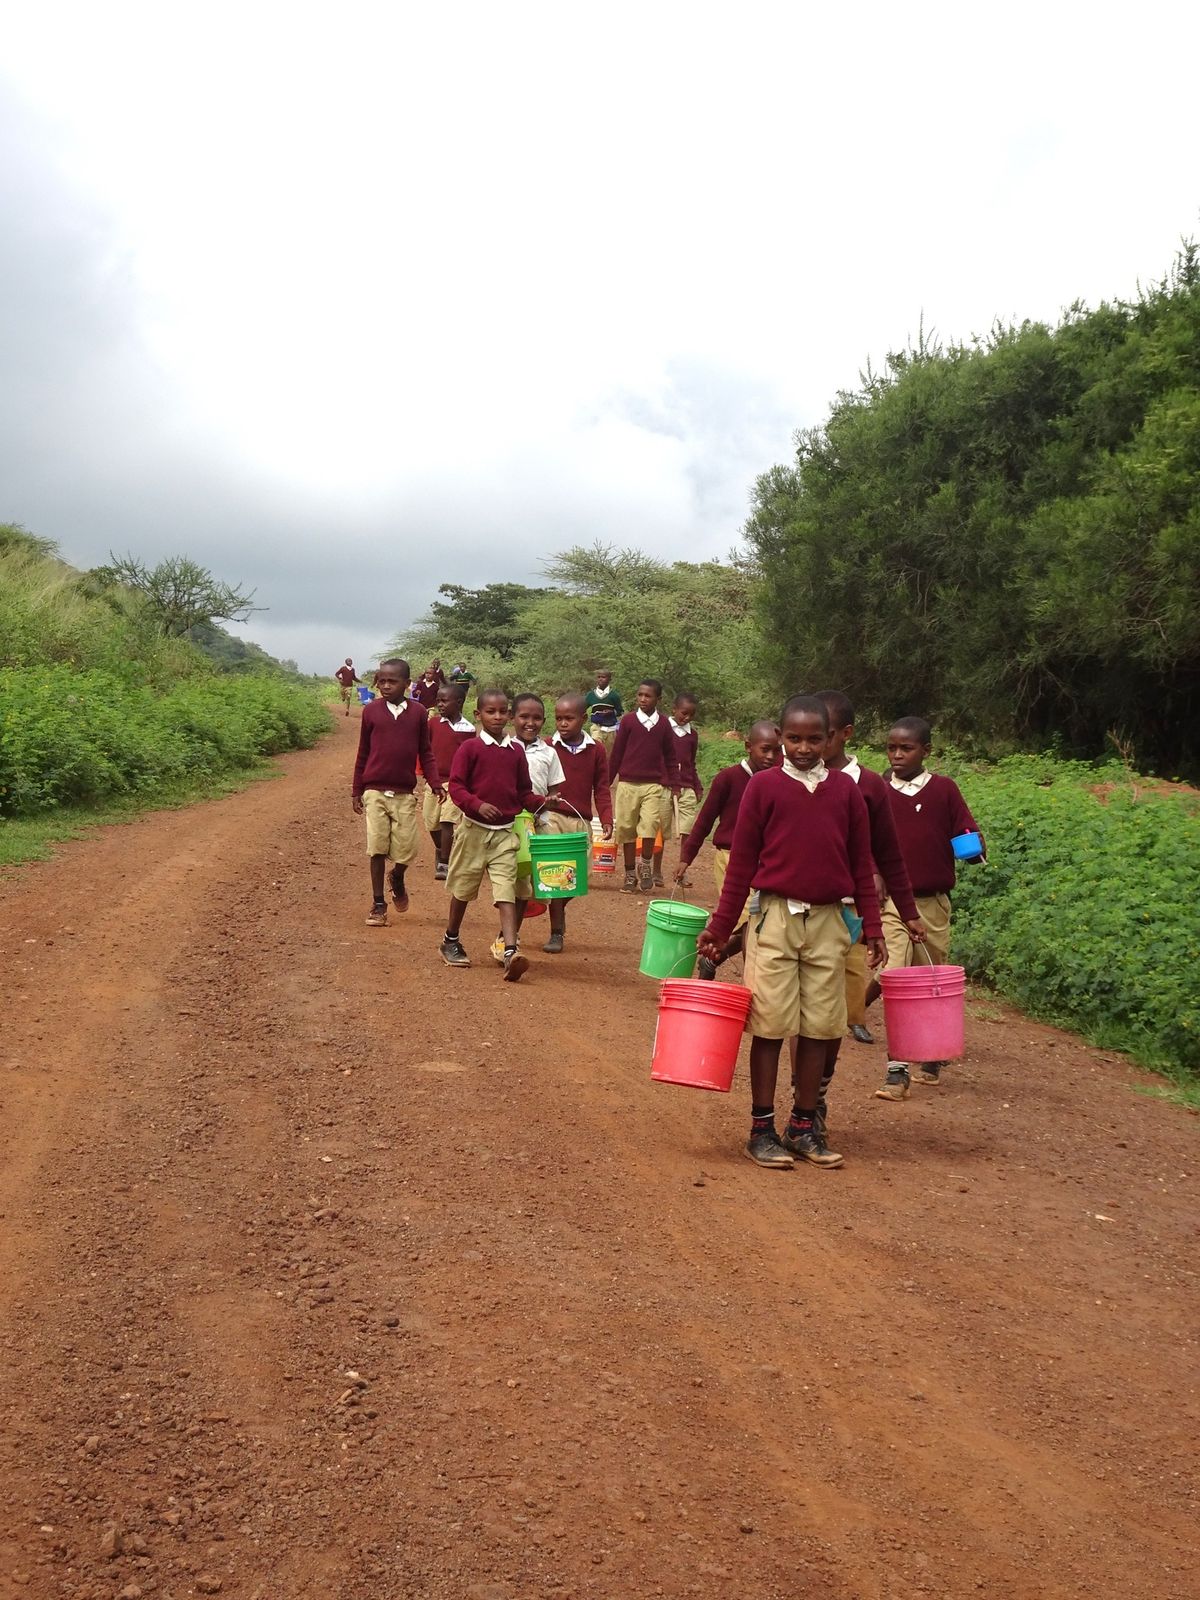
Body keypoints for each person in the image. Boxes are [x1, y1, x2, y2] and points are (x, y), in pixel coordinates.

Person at [698, 696, 885, 1171]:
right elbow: (741, 865)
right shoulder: (763, 788)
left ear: (832, 740)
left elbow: (863, 863)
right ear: (780, 738)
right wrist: (721, 928)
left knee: (821, 1027)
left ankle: (803, 1126)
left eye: (814, 739)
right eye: (794, 738)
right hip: (776, 919)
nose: (803, 748)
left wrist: (874, 926)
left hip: (829, 922)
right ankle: (761, 1128)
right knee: (770, 1024)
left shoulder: (845, 791)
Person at [797, 691, 924, 1133]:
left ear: (842, 734)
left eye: (823, 735)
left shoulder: (869, 785)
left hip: (850, 917)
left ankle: (817, 1098)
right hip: (794, 914)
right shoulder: (788, 777)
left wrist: (906, 913)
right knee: (794, 1017)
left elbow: (889, 856)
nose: (811, 746)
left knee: (832, 1019)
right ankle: (803, 1105)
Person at [869, 715, 983, 1100]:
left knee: (929, 981)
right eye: (891, 748)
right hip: (893, 905)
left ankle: (932, 1055)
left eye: (906, 748)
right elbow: (864, 840)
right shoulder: (878, 790)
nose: (897, 755)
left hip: (933, 903)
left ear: (926, 751)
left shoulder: (944, 790)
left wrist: (972, 847)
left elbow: (963, 829)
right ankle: (896, 1070)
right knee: (896, 975)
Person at [442, 689, 550, 981]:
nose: (498, 717)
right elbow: (457, 787)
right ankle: (451, 939)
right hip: (473, 831)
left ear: (510, 715)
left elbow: (523, 791)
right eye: (491, 712)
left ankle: (510, 950)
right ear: (478, 715)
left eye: (503, 712)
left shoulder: (515, 751)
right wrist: (477, 804)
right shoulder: (470, 749)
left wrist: (543, 802)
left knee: (507, 890)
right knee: (463, 888)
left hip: (505, 833)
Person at [675, 719, 780, 976]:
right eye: (764, 749)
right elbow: (705, 820)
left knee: (762, 920)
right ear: (748, 746)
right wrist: (686, 857)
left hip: (767, 861)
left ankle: (716, 959)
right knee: (746, 919)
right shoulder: (729, 778)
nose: (770, 756)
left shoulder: (779, 781)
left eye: (776, 751)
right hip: (731, 858)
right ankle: (747, 976)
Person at [351, 658, 443, 927]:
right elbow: (363, 752)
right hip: (374, 790)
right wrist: (357, 789)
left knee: (407, 849)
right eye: (382, 681)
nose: (386, 686)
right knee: (377, 847)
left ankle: (398, 876)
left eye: (392, 681)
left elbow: (425, 752)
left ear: (407, 683)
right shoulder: (371, 712)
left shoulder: (417, 713)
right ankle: (378, 903)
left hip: (404, 793)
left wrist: (435, 783)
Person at [489, 693, 565, 964]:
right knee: (510, 882)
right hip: (507, 824)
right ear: (512, 717)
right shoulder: (503, 748)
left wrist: (549, 804)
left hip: (536, 825)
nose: (529, 723)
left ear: (544, 721)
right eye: (523, 717)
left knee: (533, 884)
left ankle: (513, 938)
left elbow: (554, 791)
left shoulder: (549, 752)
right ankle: (504, 941)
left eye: (536, 718)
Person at [546, 692, 614, 954]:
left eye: (569, 719)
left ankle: (558, 907)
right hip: (552, 816)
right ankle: (556, 931)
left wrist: (606, 817)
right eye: (559, 718)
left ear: (584, 719)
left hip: (580, 820)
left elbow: (602, 787)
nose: (563, 724)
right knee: (556, 875)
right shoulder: (548, 745)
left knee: (578, 878)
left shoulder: (595, 749)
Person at [607, 679, 680, 893]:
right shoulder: (628, 721)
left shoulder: (664, 724)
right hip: (628, 784)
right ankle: (630, 874)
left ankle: (645, 865)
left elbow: (670, 756)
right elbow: (617, 754)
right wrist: (607, 781)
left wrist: (675, 784)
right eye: (640, 695)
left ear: (658, 699)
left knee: (649, 827)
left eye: (647, 696)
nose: (642, 699)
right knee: (627, 830)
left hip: (653, 785)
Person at [424, 680, 476, 880]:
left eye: (445, 701)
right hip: (434, 782)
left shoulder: (468, 729)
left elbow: (471, 757)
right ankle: (440, 848)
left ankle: (445, 862)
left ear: (460, 702)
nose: (440, 704)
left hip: (455, 782)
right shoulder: (433, 724)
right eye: (438, 701)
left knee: (448, 820)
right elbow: (425, 749)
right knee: (431, 822)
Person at [656, 691, 703, 887]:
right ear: (674, 710)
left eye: (691, 715)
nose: (687, 718)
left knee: (687, 831)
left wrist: (697, 786)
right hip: (665, 786)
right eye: (684, 713)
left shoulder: (692, 735)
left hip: (686, 787)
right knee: (660, 830)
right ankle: (656, 870)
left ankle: (681, 871)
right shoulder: (663, 728)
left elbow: (691, 762)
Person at [584, 669, 624, 753]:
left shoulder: (614, 695)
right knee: (597, 750)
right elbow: (582, 708)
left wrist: (611, 712)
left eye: (603, 677)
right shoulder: (591, 695)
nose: (600, 679)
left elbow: (620, 711)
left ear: (609, 679)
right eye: (598, 677)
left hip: (610, 730)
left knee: (609, 756)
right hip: (597, 728)